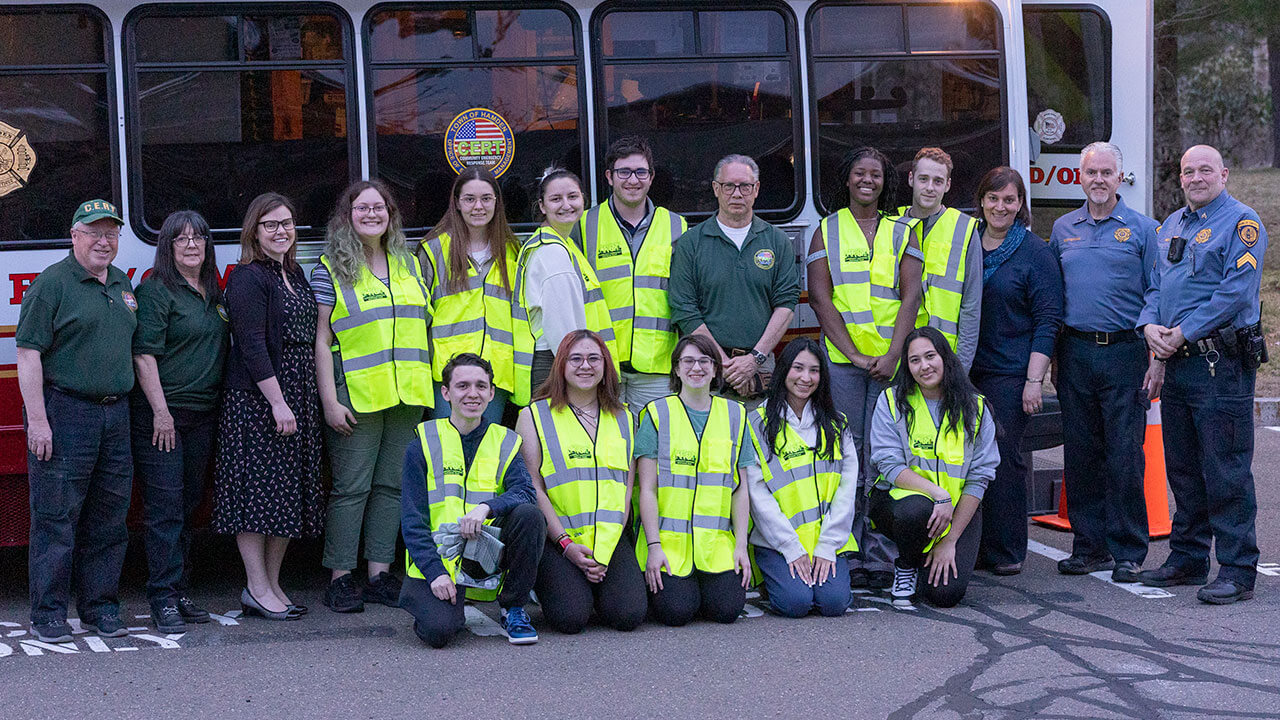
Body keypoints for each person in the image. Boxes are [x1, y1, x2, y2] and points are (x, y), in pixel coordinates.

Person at [1137, 144, 1268, 604]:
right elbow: (1157, 288)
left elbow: (1236, 293)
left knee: (1225, 470)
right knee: (1184, 469)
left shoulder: (1242, 223)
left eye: (1205, 169)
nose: (1195, 177)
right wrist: (1151, 333)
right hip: (1178, 365)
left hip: (1221, 365)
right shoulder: (1171, 224)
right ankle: (1188, 558)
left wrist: (1182, 333)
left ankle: (1236, 569)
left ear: (1225, 174)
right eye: (1188, 170)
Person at [17, 199, 136, 642]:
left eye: (111, 233)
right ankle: (48, 614)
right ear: (74, 236)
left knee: (109, 519)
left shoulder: (123, 283)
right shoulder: (51, 284)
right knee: (56, 518)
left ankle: (100, 608)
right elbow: (28, 356)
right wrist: (39, 421)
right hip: (66, 412)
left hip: (116, 414)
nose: (103, 241)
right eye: (94, 232)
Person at [806, 146, 923, 590]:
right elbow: (820, 298)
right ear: (848, 179)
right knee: (848, 457)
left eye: (876, 174)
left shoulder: (903, 230)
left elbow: (911, 296)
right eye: (859, 173)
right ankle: (848, 551)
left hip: (892, 363)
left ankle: (883, 555)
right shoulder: (826, 230)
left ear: (885, 181)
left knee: (885, 457)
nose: (868, 180)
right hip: (844, 364)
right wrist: (855, 355)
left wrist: (894, 356)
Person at [313, 180, 431, 613]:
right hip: (356, 396)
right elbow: (322, 341)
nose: (371, 214)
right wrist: (329, 398)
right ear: (347, 216)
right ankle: (341, 578)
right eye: (361, 208)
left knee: (392, 487)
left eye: (378, 207)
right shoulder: (330, 267)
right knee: (351, 489)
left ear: (391, 214)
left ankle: (380, 574)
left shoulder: (409, 263)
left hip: (407, 394)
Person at [1049, 142, 1162, 583]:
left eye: (1107, 172)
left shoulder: (1142, 229)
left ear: (1120, 177)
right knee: (1080, 453)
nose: (1099, 180)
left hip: (1125, 352)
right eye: (1091, 172)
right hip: (1075, 352)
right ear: (1080, 176)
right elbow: (1056, 297)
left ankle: (1129, 550)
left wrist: (1155, 357)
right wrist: (1057, 356)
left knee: (1123, 455)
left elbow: (1156, 292)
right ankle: (1088, 546)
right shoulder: (1062, 229)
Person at [214, 192, 325, 621]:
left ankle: (273, 584)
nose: (282, 231)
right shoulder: (246, 278)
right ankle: (256, 587)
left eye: (287, 223)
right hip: (260, 400)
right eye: (271, 224)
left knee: (287, 495)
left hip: (297, 394)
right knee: (255, 497)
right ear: (254, 232)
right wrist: (277, 401)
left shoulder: (295, 275)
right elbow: (252, 345)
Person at [400, 353, 546, 647]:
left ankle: (513, 607)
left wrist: (486, 507)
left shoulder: (504, 440)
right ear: (446, 392)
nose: (472, 394)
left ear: (492, 393)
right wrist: (435, 573)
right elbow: (412, 520)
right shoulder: (423, 443)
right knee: (437, 632)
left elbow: (525, 491)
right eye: (462, 385)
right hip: (440, 560)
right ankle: (444, 600)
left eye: (481, 386)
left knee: (530, 514)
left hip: (484, 556)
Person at [130, 210, 228, 633]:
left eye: (199, 238)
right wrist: (161, 413)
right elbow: (143, 354)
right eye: (181, 239)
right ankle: (163, 598)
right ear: (167, 247)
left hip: (202, 416)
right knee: (165, 510)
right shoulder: (155, 291)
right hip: (162, 420)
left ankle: (181, 588)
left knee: (188, 507)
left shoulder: (213, 289)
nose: (191, 245)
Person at [520, 330, 647, 633]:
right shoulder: (534, 415)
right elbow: (533, 486)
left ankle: (598, 584)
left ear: (605, 366)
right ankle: (555, 582)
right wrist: (565, 544)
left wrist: (607, 548)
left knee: (628, 615)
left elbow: (626, 489)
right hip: (559, 538)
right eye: (575, 359)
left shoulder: (626, 418)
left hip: (608, 538)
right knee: (570, 619)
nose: (585, 366)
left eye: (594, 358)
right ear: (561, 365)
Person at [969, 167, 1063, 576]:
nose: (1000, 207)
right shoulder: (967, 242)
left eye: (1009, 200)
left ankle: (1007, 550)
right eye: (993, 198)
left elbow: (1048, 320)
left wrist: (1033, 380)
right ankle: (974, 544)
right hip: (966, 370)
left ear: (1021, 204)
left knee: (1004, 460)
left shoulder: (1035, 253)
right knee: (966, 459)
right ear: (982, 201)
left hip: (1010, 374)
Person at [869, 327, 999, 607]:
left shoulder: (975, 408)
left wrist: (950, 539)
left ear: (946, 358)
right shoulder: (891, 402)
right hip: (903, 505)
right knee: (916, 509)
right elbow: (889, 465)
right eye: (914, 360)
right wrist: (939, 495)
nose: (924, 366)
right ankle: (906, 565)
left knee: (945, 595)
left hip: (956, 512)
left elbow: (979, 477)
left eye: (930, 356)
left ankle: (927, 562)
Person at [635, 334, 754, 626]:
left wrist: (740, 546)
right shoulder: (656, 414)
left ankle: (702, 588)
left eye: (704, 361)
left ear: (716, 369)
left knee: (727, 612)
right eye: (688, 361)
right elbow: (647, 490)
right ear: (676, 369)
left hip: (716, 544)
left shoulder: (736, 414)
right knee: (677, 613)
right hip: (668, 544)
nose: (696, 368)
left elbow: (740, 491)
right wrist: (654, 547)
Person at [668, 154, 800, 410]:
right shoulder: (691, 243)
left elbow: (786, 304)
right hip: (704, 369)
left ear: (757, 189)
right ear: (716, 189)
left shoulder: (777, 241)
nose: (737, 193)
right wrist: (723, 364)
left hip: (760, 368)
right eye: (729, 186)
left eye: (745, 186)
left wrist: (754, 359)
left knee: (759, 444)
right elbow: (685, 310)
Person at [575, 136, 687, 413]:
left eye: (641, 172)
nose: (632, 180)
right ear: (609, 177)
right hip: (599, 366)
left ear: (651, 177)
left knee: (655, 449)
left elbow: (687, 297)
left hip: (657, 369)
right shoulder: (584, 225)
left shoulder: (677, 226)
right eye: (624, 172)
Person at [746, 338, 857, 617]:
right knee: (795, 604)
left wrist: (828, 545)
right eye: (798, 368)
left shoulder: (836, 424)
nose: (806, 378)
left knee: (833, 603)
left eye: (814, 370)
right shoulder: (757, 423)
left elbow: (847, 489)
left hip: (826, 539)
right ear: (784, 370)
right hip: (777, 541)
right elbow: (757, 495)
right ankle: (772, 576)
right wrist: (790, 547)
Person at [419, 168, 521, 421]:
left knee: (485, 454)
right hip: (449, 374)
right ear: (456, 203)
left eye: (486, 198)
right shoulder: (432, 250)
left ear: (497, 202)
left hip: (494, 373)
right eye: (469, 199)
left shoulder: (512, 250)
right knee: (448, 453)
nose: (478, 206)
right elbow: (418, 318)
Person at [512, 167, 616, 406]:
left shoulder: (560, 244)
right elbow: (565, 330)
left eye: (572, 197)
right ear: (542, 206)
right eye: (556, 199)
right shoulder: (553, 253)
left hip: (558, 362)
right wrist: (583, 372)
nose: (566, 205)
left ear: (583, 200)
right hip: (558, 365)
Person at [902, 147, 983, 370]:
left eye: (938, 181)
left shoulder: (965, 229)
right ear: (911, 179)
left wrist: (960, 368)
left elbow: (971, 306)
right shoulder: (892, 225)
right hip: (898, 355)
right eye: (923, 179)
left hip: (944, 357)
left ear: (947, 185)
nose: (930, 187)